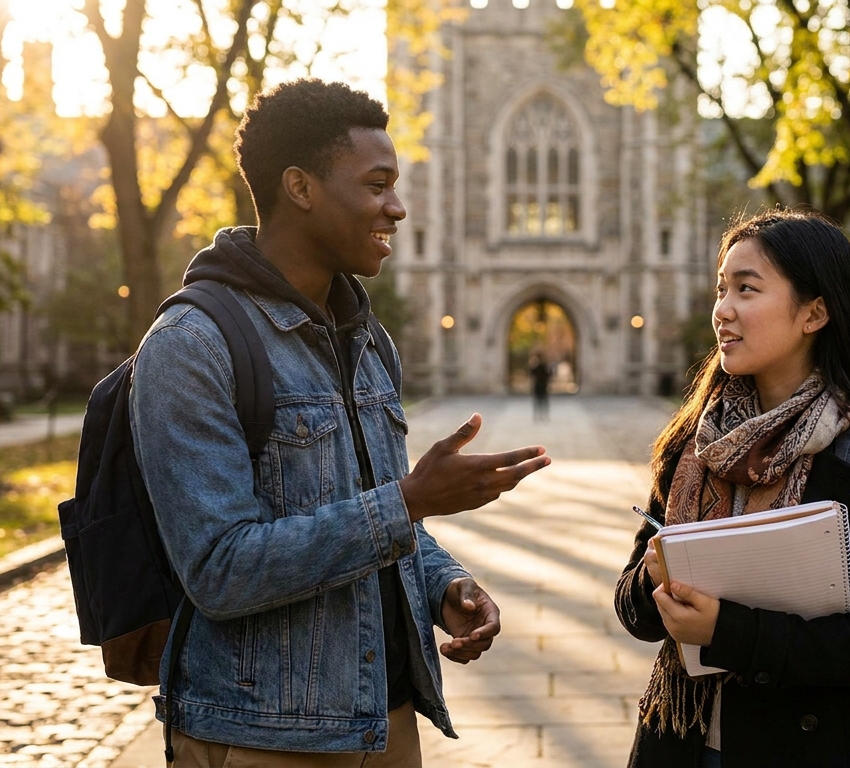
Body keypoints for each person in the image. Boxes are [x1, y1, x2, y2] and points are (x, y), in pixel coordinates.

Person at [130, 79, 550, 767]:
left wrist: (444, 582)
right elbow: (219, 568)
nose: (399, 207)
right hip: (262, 737)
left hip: (383, 721)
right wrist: (411, 500)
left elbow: (364, 514)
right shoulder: (192, 345)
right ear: (301, 188)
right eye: (376, 184)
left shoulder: (363, 336)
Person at [615, 209, 850, 767]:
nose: (723, 311)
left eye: (747, 289)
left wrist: (726, 631)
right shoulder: (695, 443)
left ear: (814, 313)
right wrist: (653, 577)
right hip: (683, 748)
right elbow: (633, 609)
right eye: (721, 289)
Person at [529, 353, 551, 421]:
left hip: (538, 386)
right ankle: (544, 415)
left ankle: (538, 415)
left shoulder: (537, 367)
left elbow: (531, 374)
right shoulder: (544, 367)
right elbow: (549, 375)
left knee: (538, 401)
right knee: (543, 401)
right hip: (543, 386)